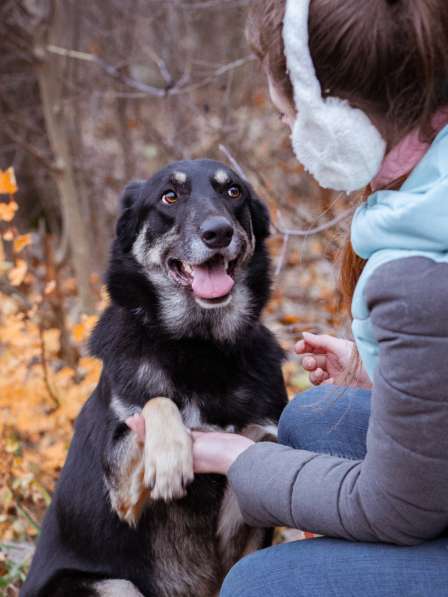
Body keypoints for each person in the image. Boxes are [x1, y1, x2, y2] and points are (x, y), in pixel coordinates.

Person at [190, 0, 448, 595]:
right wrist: (387, 375)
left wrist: (237, 457)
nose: (289, 136)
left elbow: (399, 508)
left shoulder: (417, 281)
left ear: (341, 129)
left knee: (262, 585)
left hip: (412, 506)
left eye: (288, 119)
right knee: (315, 415)